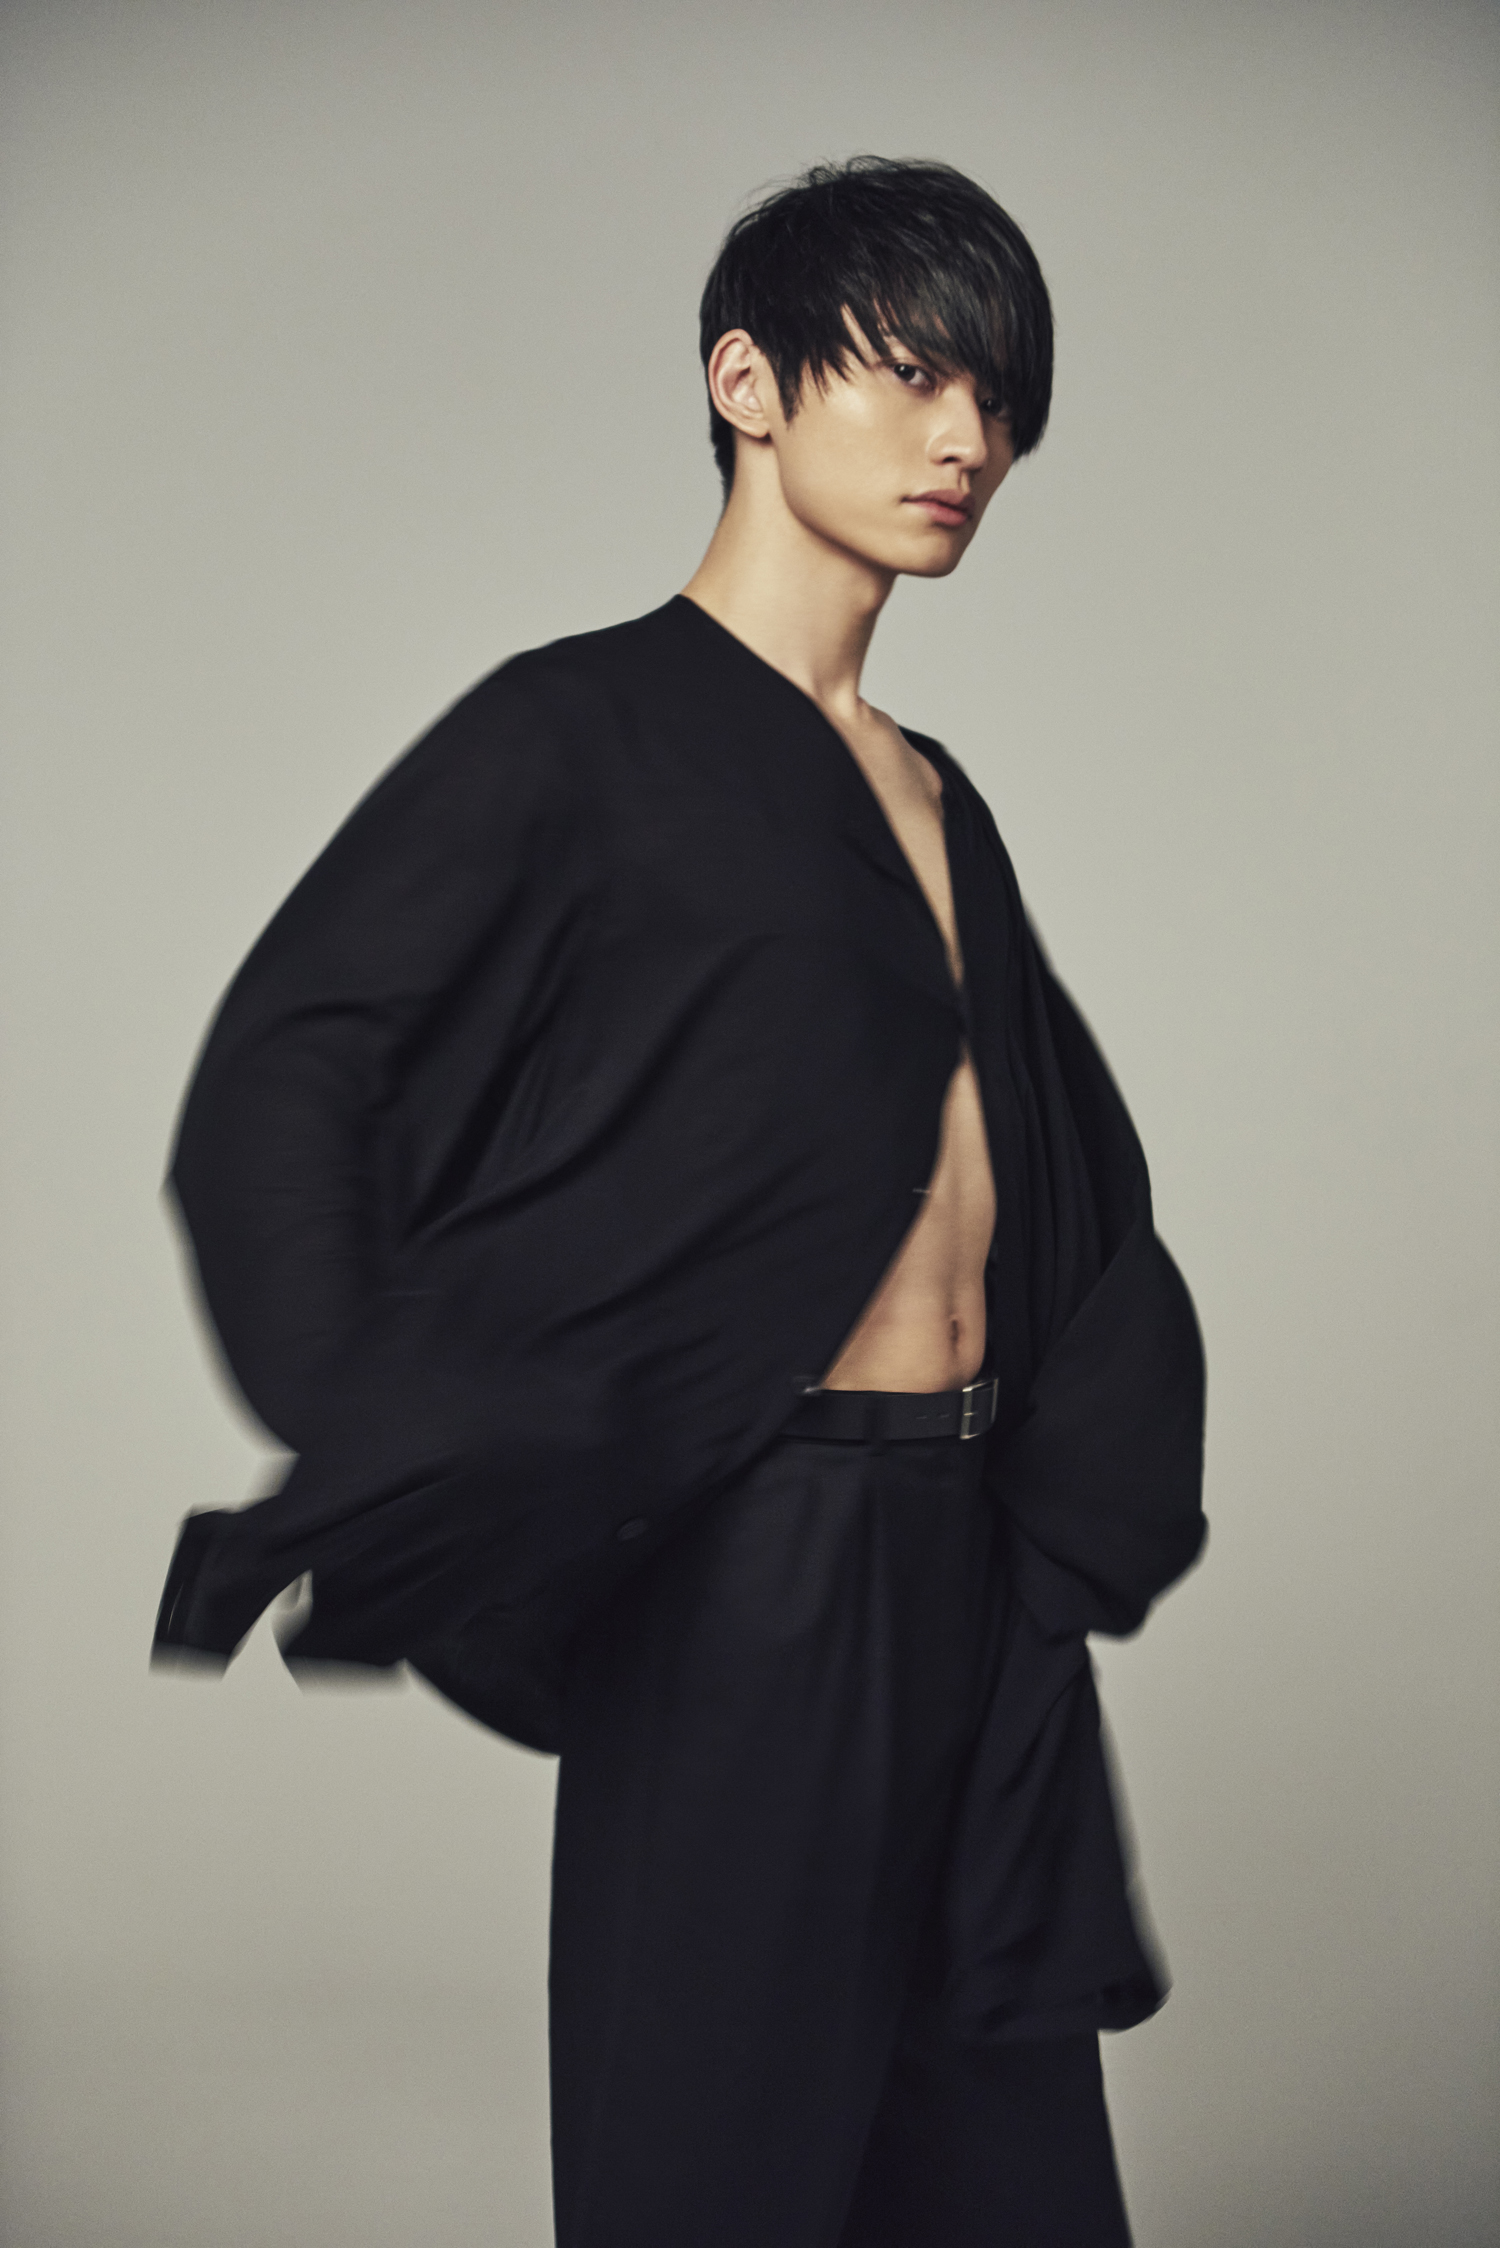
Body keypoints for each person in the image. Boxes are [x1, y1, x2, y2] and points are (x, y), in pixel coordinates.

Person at [153, 157, 1207, 2247]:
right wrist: (425, 1426)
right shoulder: (577, 729)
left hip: (969, 1559)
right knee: (718, 2165)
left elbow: (1060, 1175)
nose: (969, 439)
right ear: (747, 383)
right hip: (749, 1564)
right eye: (915, 375)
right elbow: (290, 1072)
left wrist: (1075, 1488)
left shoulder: (937, 795)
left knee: (1004, 2175)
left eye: (999, 399)